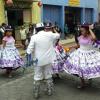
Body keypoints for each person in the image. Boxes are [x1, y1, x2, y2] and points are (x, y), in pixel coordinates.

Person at [27, 22, 60, 98]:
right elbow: (58, 35)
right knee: (48, 75)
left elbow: (30, 49)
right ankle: (49, 91)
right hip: (49, 59)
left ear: (36, 29)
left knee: (37, 76)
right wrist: (53, 29)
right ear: (44, 28)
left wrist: (28, 54)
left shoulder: (34, 37)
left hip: (38, 61)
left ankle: (36, 93)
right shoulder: (50, 34)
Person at [63, 24, 100, 88]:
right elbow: (78, 46)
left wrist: (90, 29)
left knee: (88, 67)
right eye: (81, 31)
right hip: (80, 54)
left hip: (89, 54)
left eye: (83, 31)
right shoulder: (80, 37)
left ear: (87, 31)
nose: (81, 32)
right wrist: (70, 47)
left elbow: (94, 38)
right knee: (80, 69)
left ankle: (89, 78)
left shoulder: (90, 37)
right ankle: (83, 83)